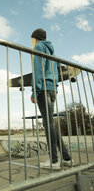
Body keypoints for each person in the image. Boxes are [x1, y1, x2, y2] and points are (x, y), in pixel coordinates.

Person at [31, 28, 72, 170]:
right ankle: (66, 157)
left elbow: (38, 70)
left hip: (43, 89)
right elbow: (57, 70)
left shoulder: (38, 47)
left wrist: (34, 91)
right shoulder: (52, 51)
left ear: (35, 38)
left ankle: (54, 161)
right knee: (50, 125)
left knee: (47, 125)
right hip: (53, 89)